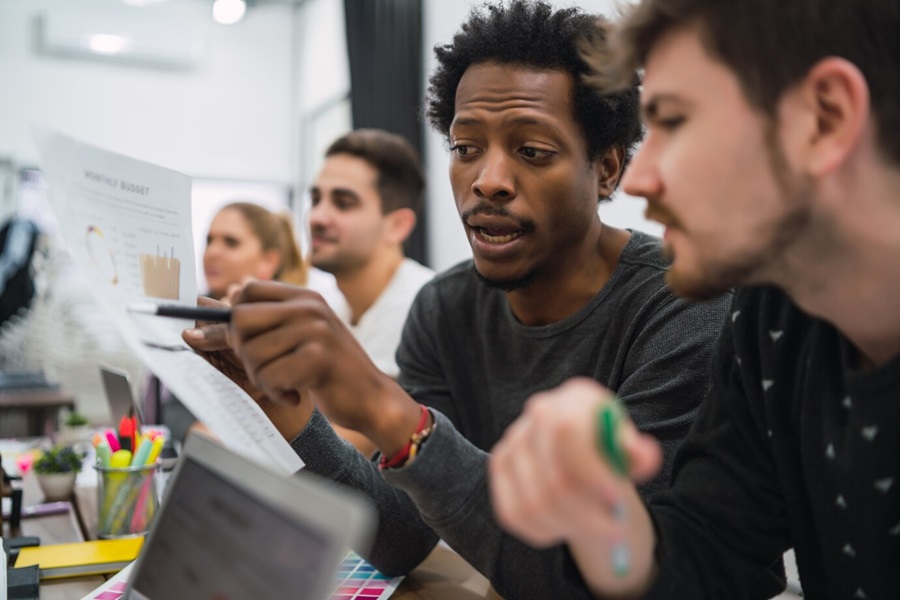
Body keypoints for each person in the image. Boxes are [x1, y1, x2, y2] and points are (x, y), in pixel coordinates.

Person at [184, 2, 730, 598]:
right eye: (466, 147)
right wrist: (286, 411)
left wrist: (388, 412)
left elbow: (605, 581)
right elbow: (397, 539)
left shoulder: (678, 304)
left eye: (532, 151)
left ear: (606, 170)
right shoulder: (443, 311)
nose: (487, 179)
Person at [487, 0, 900, 598]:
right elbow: (708, 556)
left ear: (825, 118)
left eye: (675, 121)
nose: (636, 179)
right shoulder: (772, 313)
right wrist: (600, 517)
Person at [150, 201, 307, 437]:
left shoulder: (294, 326)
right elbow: (174, 409)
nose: (212, 252)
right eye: (209, 240)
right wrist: (204, 436)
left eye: (231, 242)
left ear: (269, 261)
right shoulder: (196, 320)